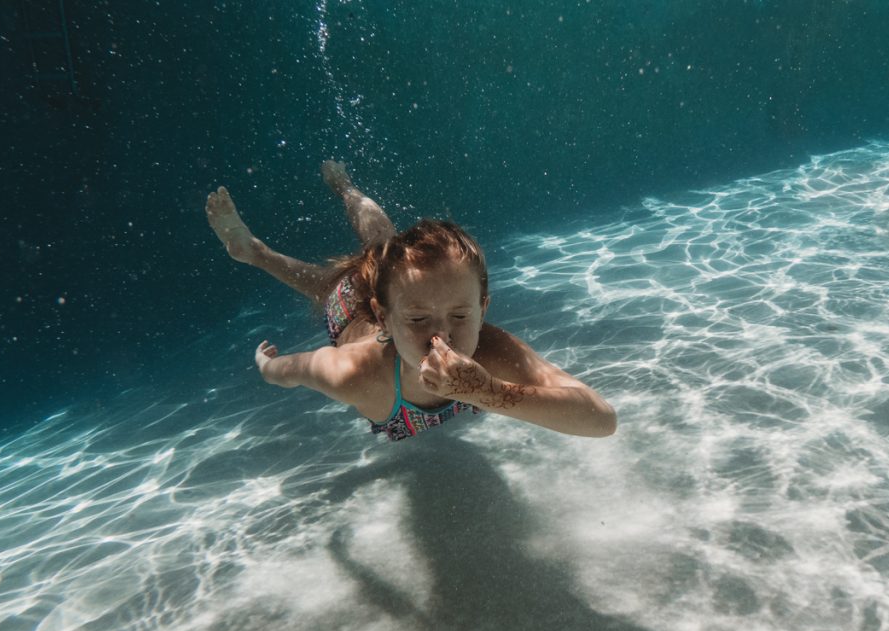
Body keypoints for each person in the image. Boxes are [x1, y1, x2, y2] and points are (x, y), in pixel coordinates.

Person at [205, 161, 616, 441]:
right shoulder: (355, 372)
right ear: (383, 319)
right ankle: (255, 252)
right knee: (334, 284)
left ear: (483, 309)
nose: (443, 336)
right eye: (419, 320)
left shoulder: (489, 349)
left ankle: (347, 188)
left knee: (384, 247)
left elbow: (601, 419)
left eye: (460, 314)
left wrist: (486, 392)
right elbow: (288, 371)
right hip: (353, 312)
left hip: (397, 295)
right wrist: (264, 363)